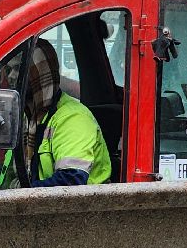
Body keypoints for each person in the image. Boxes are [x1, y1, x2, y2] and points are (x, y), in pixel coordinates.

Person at [9, 39, 111, 187]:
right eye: (9, 70)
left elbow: (71, 182)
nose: (11, 76)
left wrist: (21, 192)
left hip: (82, 208)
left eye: (18, 68)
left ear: (41, 71)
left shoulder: (73, 119)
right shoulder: (31, 116)